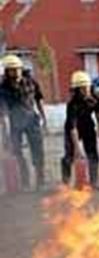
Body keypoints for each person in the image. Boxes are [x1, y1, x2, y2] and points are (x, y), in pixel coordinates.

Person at [0, 54, 47, 191]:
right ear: (6, 71)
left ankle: (40, 180)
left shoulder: (31, 82)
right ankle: (25, 181)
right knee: (17, 152)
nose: (15, 72)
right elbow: (3, 113)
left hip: (32, 120)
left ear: (21, 68)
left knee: (38, 151)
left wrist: (44, 118)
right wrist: (6, 133)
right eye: (11, 70)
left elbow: (39, 99)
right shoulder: (2, 89)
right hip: (14, 123)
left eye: (17, 69)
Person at [61, 71, 99, 189]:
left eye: (87, 87)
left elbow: (97, 111)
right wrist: (77, 147)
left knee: (93, 154)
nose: (86, 90)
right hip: (73, 128)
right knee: (69, 155)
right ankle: (66, 181)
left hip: (88, 125)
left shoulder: (94, 97)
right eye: (82, 89)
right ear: (76, 90)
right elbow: (73, 128)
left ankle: (94, 182)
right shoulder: (72, 104)